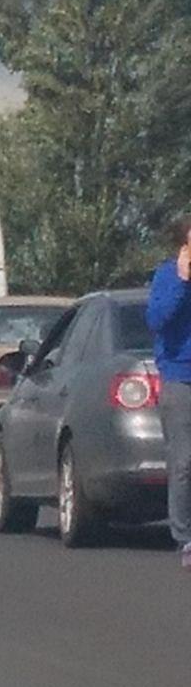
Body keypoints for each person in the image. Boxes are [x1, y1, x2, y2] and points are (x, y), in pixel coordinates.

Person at [145, 215, 191, 569]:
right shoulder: (167, 276)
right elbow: (158, 320)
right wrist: (183, 280)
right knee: (185, 462)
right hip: (181, 379)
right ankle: (185, 537)